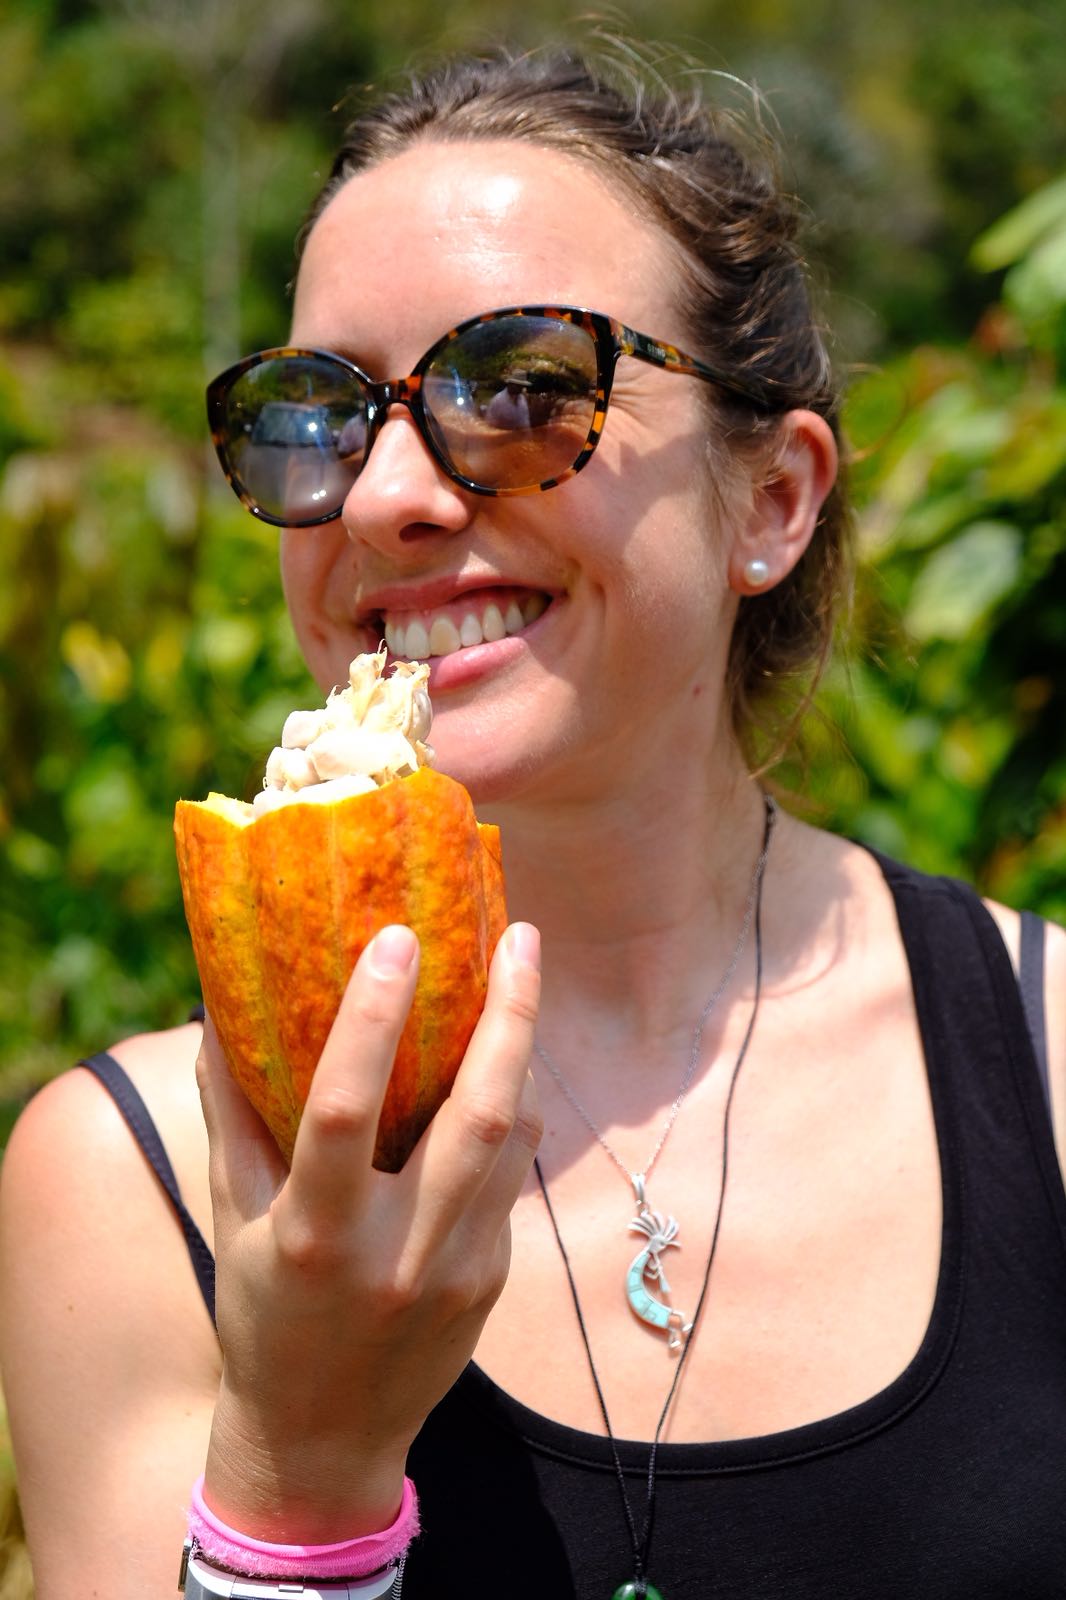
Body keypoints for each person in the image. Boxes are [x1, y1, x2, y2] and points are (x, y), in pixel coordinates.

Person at [2, 43, 1065, 1600]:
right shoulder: (132, 1181)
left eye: (519, 388)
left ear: (773, 499)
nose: (386, 497)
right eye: (319, 411)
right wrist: (299, 1472)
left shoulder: (1047, 1071)